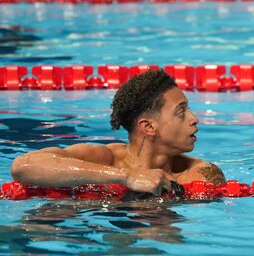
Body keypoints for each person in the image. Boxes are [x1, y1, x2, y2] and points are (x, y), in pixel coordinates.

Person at [10, 69, 226, 197]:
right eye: (181, 111)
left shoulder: (200, 174)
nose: (194, 118)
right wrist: (127, 177)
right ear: (149, 127)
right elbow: (23, 166)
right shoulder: (105, 159)